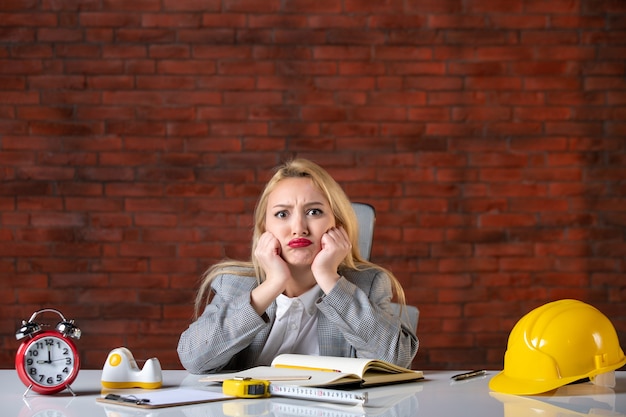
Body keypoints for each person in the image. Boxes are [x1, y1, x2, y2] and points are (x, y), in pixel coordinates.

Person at [177, 159, 418, 374]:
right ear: (264, 230)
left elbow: (396, 361)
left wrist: (328, 278)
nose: (299, 227)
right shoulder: (235, 284)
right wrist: (272, 285)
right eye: (282, 214)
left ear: (338, 225)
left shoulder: (367, 284)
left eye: (314, 212)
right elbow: (193, 358)